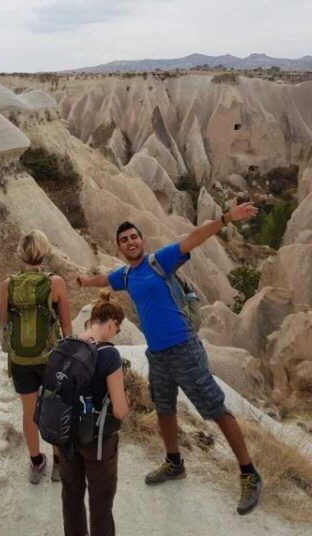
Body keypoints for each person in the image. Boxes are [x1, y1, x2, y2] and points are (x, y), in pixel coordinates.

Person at [76, 199, 264, 516]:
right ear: (119, 248)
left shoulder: (159, 262)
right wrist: (85, 281)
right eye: (124, 240)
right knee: (164, 408)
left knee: (215, 409)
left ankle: (249, 473)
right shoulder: (126, 276)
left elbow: (193, 238)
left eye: (133, 237)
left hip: (185, 348)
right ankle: (174, 463)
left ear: (141, 241)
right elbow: (105, 279)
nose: (130, 242)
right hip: (158, 355)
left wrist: (227, 218)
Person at [0, 229, 72, 484]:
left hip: (21, 360)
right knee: (52, 409)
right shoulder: (56, 283)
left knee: (29, 412)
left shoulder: (8, 285)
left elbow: (5, 325)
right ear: (45, 252)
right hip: (50, 358)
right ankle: (59, 464)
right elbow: (67, 327)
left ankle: (36, 461)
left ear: (21, 253)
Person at [59, 290, 128, 536]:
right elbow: (119, 410)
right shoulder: (110, 355)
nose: (116, 335)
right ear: (112, 324)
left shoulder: (69, 345)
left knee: (72, 498)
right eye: (117, 330)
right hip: (97, 442)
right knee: (100, 506)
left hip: (66, 437)